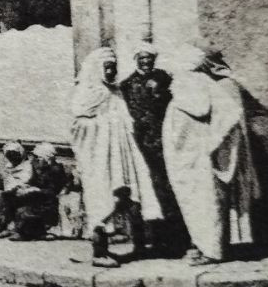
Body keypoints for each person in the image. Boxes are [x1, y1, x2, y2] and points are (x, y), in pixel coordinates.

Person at [163, 45, 258, 266]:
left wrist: (212, 145)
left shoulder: (195, 85)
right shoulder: (196, 85)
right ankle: (202, 245)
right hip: (187, 159)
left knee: (205, 203)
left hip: (199, 158)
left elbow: (227, 118)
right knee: (196, 203)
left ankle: (212, 250)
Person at [69, 47, 162, 243]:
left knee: (131, 196)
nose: (111, 72)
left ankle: (139, 243)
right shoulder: (87, 93)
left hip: (124, 155)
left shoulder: (116, 91)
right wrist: (105, 126)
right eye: (107, 67)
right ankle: (99, 250)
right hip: (101, 157)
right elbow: (79, 127)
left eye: (114, 67)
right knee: (102, 199)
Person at [120, 42, 183, 255]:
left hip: (165, 140)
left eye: (150, 58)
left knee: (168, 188)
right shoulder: (126, 84)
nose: (146, 62)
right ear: (136, 59)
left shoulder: (165, 78)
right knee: (146, 191)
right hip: (140, 143)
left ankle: (175, 241)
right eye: (142, 58)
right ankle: (146, 240)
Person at [0, 142, 61, 242]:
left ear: (48, 158)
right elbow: (32, 181)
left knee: (24, 208)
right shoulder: (39, 167)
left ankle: (24, 233)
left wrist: (35, 189)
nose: (36, 159)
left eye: (39, 157)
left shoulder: (56, 170)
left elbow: (52, 192)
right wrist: (25, 186)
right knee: (7, 197)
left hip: (45, 201)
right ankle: (10, 227)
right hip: (34, 195)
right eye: (35, 157)